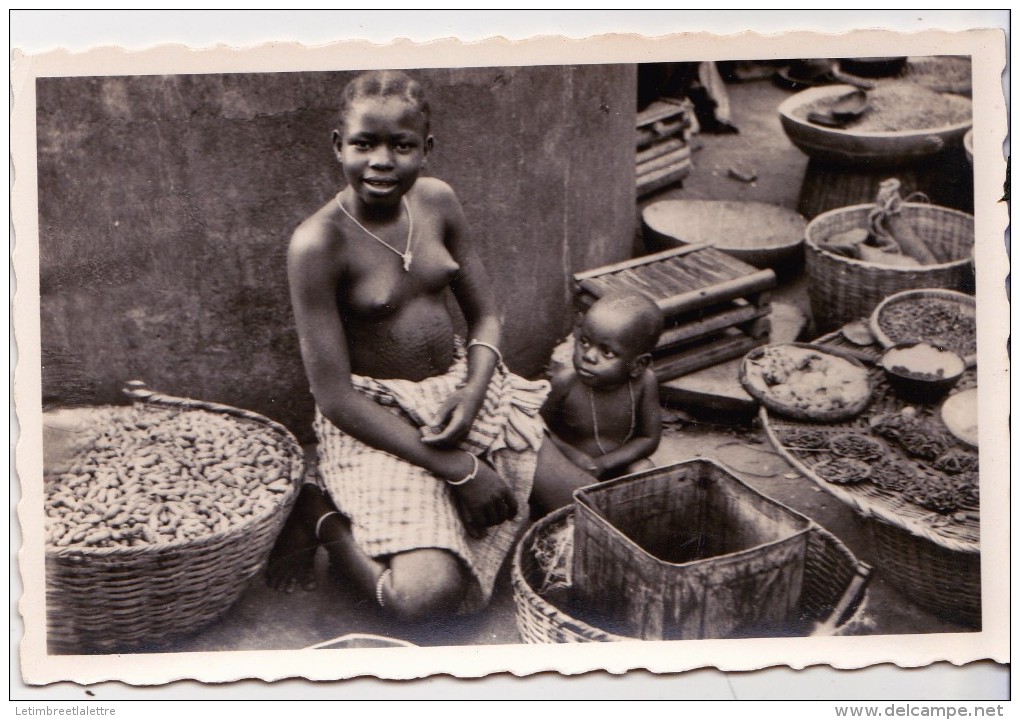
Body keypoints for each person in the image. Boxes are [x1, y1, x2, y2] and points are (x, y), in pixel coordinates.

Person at [266, 70, 593, 622]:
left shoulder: (438, 201)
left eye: (402, 145)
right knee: (425, 598)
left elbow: (486, 314)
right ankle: (320, 515)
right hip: (377, 420)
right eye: (364, 143)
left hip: (461, 396)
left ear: (427, 149)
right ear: (338, 145)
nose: (381, 162)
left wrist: (472, 390)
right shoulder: (318, 243)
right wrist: (461, 469)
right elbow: (335, 398)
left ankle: (448, 507)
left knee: (595, 514)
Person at [542, 293, 664, 480]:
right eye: (584, 342)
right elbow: (539, 429)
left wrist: (604, 464)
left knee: (644, 469)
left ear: (638, 365)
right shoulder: (565, 381)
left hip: (617, 465)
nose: (589, 356)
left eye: (607, 352)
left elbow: (649, 438)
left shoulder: (645, 383)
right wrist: (575, 457)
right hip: (570, 466)